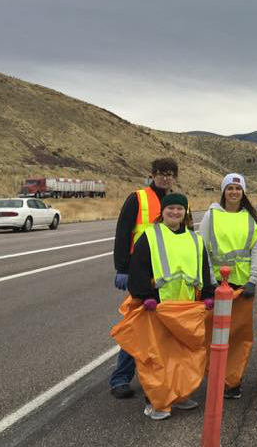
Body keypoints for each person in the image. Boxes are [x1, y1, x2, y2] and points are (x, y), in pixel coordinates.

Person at [127, 192, 216, 420]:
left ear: (185, 212)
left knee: (184, 355)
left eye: (179, 209)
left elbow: (204, 270)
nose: (175, 212)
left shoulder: (195, 240)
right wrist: (145, 295)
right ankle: (157, 401)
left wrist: (207, 294)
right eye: (170, 208)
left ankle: (181, 395)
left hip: (186, 308)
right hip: (158, 307)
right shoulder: (150, 236)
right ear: (163, 212)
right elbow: (138, 268)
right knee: (158, 357)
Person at [109, 157, 178, 399]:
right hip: (140, 274)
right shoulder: (138, 198)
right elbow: (123, 232)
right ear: (152, 174)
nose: (165, 177)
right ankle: (120, 378)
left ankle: (158, 378)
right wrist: (122, 268)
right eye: (161, 172)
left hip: (168, 276)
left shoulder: (176, 203)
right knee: (137, 328)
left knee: (164, 330)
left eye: (170, 173)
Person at [198, 173, 257, 400]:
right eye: (230, 188)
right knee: (213, 336)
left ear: (243, 192)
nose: (234, 192)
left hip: (242, 288)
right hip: (218, 287)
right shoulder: (212, 216)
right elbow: (203, 249)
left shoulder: (250, 219)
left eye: (238, 188)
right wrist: (210, 283)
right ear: (223, 192)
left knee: (238, 336)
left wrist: (253, 280)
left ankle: (233, 381)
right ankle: (214, 379)